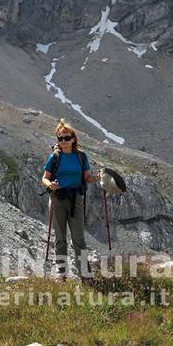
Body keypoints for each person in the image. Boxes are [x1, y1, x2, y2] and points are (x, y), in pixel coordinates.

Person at [42, 118, 101, 280]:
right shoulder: (54, 157)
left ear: (73, 139)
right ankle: (62, 273)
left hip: (76, 200)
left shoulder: (81, 157)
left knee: (78, 237)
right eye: (60, 138)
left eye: (66, 138)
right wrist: (50, 185)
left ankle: (85, 273)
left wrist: (96, 178)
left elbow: (87, 177)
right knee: (60, 237)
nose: (63, 141)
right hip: (58, 198)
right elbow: (45, 178)